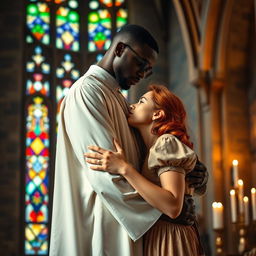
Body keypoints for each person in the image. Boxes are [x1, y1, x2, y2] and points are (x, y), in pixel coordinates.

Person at [49, 24, 207, 256]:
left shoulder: (121, 102)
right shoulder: (86, 92)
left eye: (148, 71)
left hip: (138, 230)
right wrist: (167, 208)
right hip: (106, 226)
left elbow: (150, 159)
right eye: (141, 64)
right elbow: (105, 175)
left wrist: (193, 172)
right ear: (121, 49)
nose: (142, 74)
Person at [85, 85, 205, 256]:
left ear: (157, 114)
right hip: (159, 235)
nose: (132, 105)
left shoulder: (166, 142)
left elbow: (173, 206)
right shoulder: (152, 149)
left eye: (141, 101)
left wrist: (124, 168)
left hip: (170, 237)